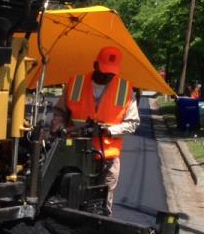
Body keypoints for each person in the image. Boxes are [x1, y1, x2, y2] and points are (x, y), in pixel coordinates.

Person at [50, 45, 140, 213]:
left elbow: (133, 123)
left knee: (102, 205)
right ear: (95, 65)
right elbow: (60, 112)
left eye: (111, 73)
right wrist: (59, 127)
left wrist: (110, 130)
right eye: (104, 71)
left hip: (107, 159)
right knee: (71, 199)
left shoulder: (125, 89)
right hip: (75, 156)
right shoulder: (76, 83)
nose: (107, 76)